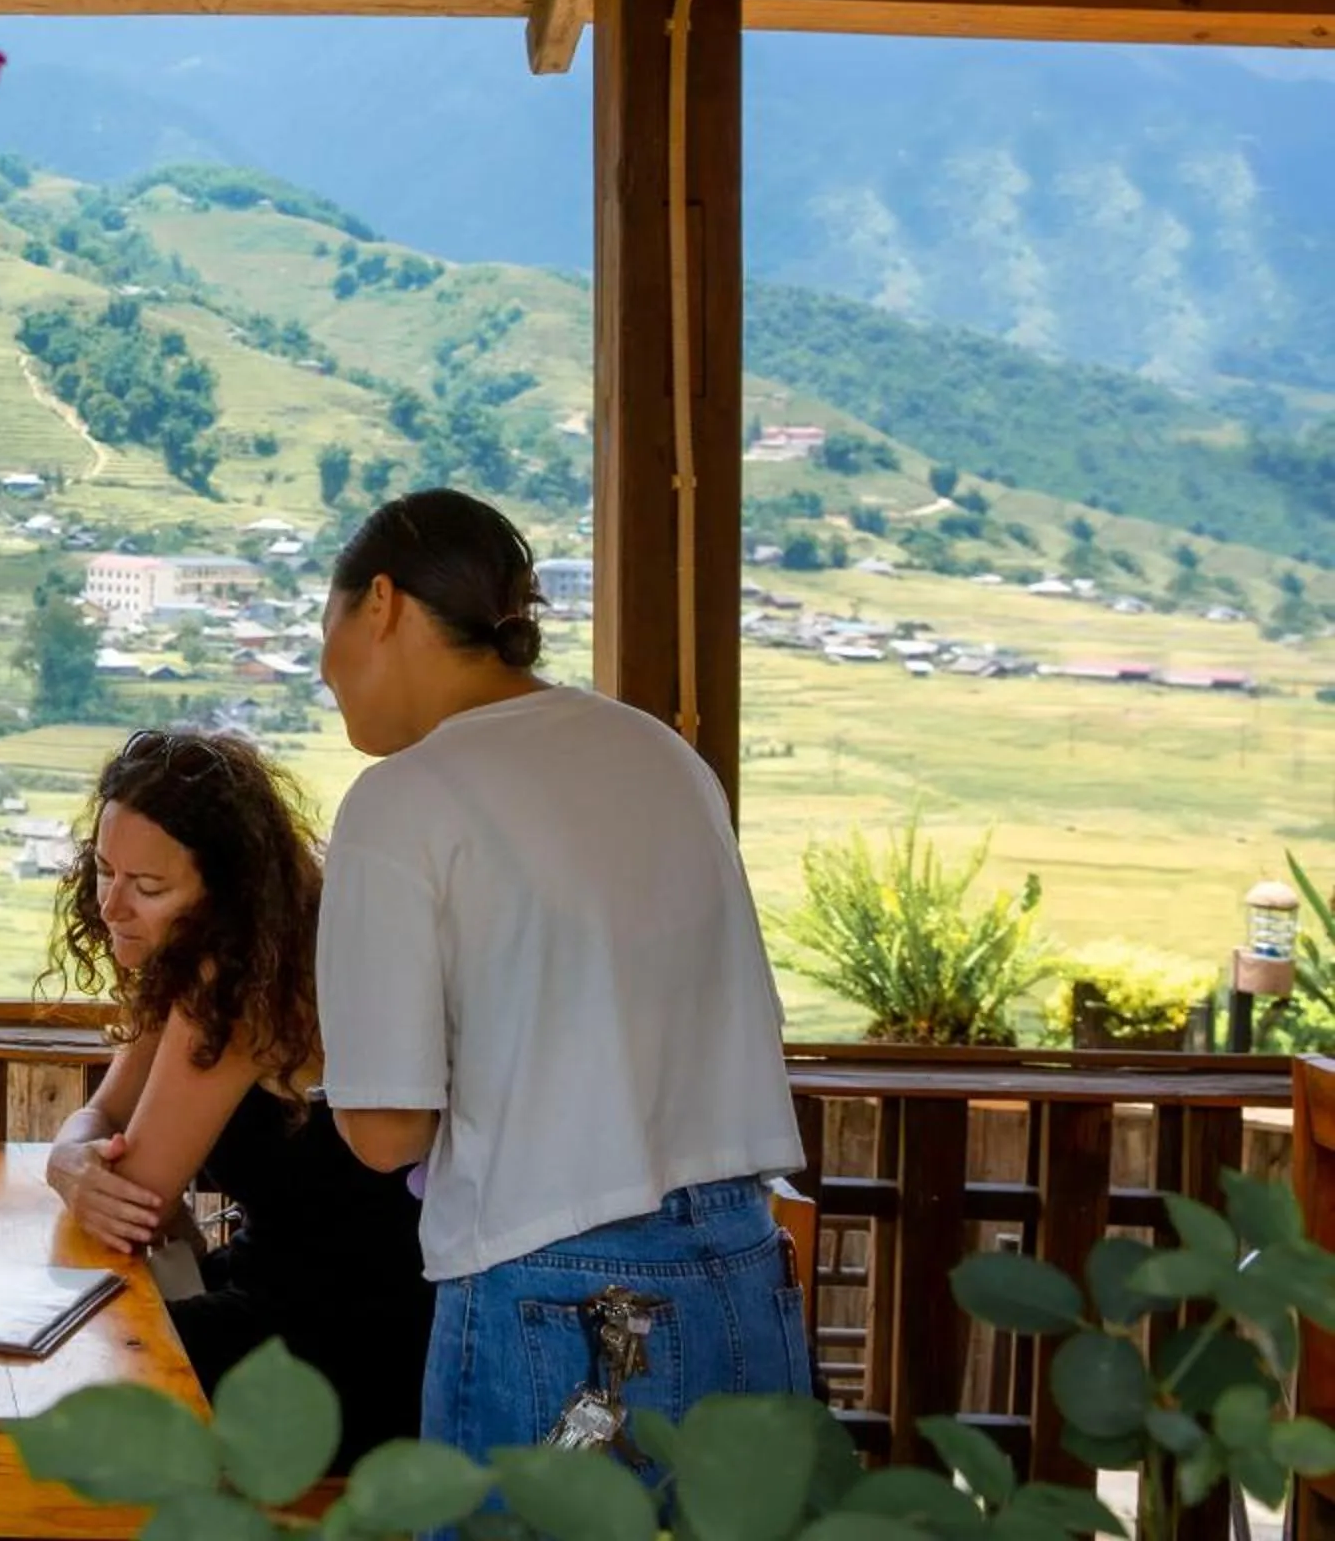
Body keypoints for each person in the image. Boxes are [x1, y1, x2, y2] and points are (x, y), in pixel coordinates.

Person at [310, 488, 809, 1466]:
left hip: (557, 1292)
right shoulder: (660, 753)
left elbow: (383, 1132)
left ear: (381, 603)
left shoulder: (401, 797)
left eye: (321, 626)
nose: (323, 666)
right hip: (745, 1269)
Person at [42, 728, 434, 1467]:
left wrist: (79, 1167)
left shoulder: (234, 987)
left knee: (60, 1383)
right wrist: (66, 1160)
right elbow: (102, 1125)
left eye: (149, 887)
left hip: (343, 1350)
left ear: (227, 894)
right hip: (288, 1300)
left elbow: (135, 1195)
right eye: (102, 871)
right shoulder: (216, 963)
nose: (111, 905)